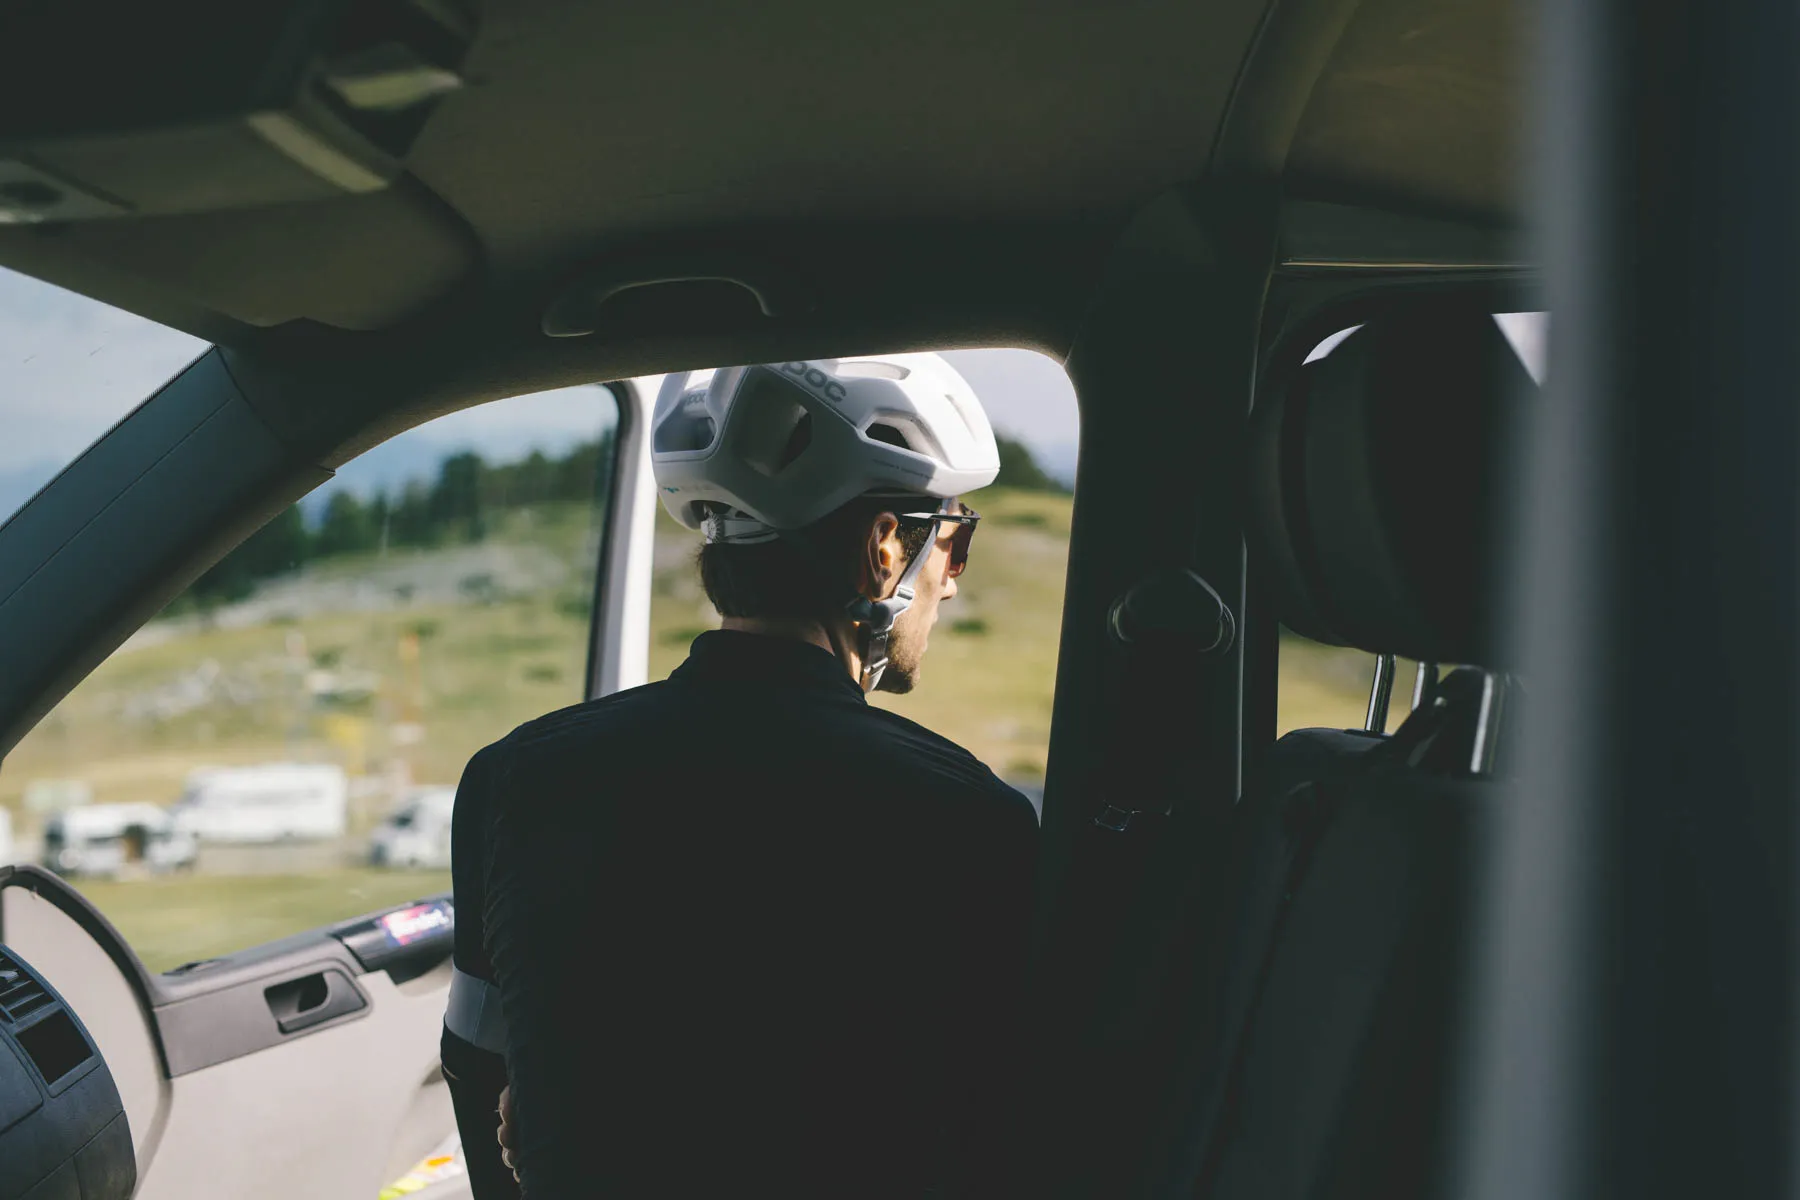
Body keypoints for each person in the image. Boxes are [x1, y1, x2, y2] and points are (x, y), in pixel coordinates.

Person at [441, 353, 1040, 1197]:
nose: (953, 578)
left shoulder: (513, 778)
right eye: (954, 539)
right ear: (883, 550)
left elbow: (481, 1068)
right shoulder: (965, 816)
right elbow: (1001, 1125)